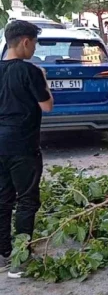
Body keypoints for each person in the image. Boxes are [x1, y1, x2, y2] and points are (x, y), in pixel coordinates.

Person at [0, 21, 53, 278]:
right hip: (23, 145)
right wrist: (43, 79)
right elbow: (47, 106)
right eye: (35, 42)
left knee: (2, 199)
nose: (35, 48)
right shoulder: (30, 72)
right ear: (25, 42)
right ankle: (21, 258)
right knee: (27, 200)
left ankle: (3, 254)